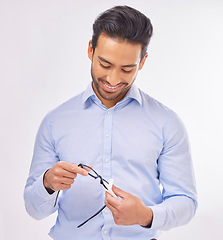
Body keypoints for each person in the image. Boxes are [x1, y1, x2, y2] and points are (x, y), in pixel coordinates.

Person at [24, 5, 197, 240]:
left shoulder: (167, 123)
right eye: (105, 65)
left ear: (142, 61)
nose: (113, 79)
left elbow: (186, 201)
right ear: (90, 50)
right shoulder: (55, 122)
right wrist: (47, 183)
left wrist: (146, 215)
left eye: (127, 69)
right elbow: (34, 210)